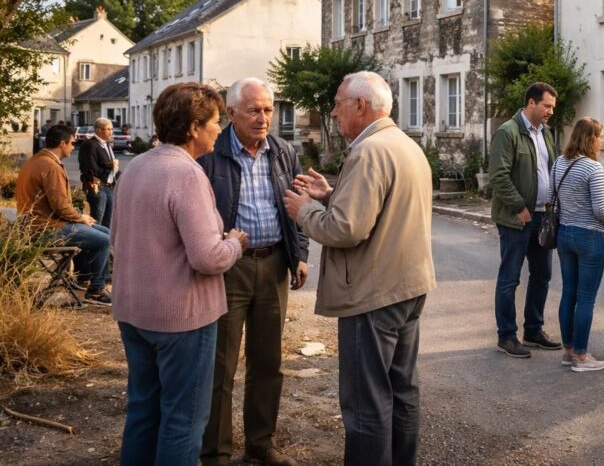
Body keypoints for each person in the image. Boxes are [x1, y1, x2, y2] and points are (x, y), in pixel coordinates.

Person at [284, 71, 436, 466]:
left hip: (372, 294)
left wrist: (306, 211)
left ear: (360, 106)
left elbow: (347, 229)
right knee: (402, 391)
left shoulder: (368, 151)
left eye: (337, 103)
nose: (332, 112)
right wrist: (333, 194)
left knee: (367, 403)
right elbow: (380, 208)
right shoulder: (403, 144)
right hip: (406, 287)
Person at [110, 83, 248, 465]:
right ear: (193, 127)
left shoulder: (137, 166)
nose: (219, 130)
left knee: (143, 411)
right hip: (180, 319)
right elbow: (208, 257)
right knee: (183, 422)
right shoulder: (186, 174)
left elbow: (117, 237)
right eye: (216, 123)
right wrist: (235, 242)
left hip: (133, 311)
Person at [199, 78, 308, 466]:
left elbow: (297, 206)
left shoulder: (282, 151)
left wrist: (300, 254)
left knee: (268, 362)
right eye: (254, 110)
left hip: (275, 263)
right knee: (220, 365)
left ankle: (260, 445)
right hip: (229, 269)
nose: (264, 118)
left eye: (268, 109)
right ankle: (215, 453)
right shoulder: (210, 154)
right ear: (231, 114)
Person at [488, 82, 562, 358]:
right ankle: (506, 336)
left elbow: (551, 170)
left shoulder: (547, 133)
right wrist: (519, 206)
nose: (550, 112)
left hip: (543, 216)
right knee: (510, 278)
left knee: (542, 275)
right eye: (547, 106)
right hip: (516, 218)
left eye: (552, 107)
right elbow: (498, 175)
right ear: (531, 103)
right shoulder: (508, 132)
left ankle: (533, 330)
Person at [15, 123, 112, 305]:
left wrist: (79, 218)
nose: (73, 147)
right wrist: (80, 217)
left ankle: (84, 277)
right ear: (62, 144)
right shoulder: (51, 167)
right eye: (72, 143)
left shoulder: (35, 161)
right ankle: (96, 289)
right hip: (47, 229)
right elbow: (60, 205)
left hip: (37, 226)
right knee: (105, 239)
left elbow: (55, 204)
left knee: (103, 233)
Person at [550, 118, 604, 372]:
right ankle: (581, 356)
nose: (602, 140)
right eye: (599, 136)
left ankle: (568, 351)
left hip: (564, 234)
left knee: (569, 293)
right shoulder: (592, 168)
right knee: (586, 298)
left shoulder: (558, 163)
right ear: (590, 139)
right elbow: (599, 209)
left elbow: (550, 197)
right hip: (589, 236)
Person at [79, 117, 118, 228]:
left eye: (111, 129)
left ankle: (107, 242)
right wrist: (109, 166)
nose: (111, 132)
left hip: (109, 185)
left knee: (109, 218)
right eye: (108, 129)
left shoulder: (107, 144)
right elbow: (90, 168)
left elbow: (112, 167)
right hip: (97, 185)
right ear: (99, 130)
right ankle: (97, 242)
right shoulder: (90, 144)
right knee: (98, 219)